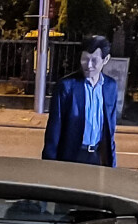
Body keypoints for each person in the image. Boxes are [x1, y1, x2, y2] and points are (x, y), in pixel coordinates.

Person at [42, 35, 119, 167]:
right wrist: (50, 164)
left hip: (98, 156)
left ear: (105, 59)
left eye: (94, 60)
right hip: (72, 156)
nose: (89, 65)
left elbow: (110, 129)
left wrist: (112, 162)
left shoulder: (110, 86)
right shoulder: (67, 86)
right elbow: (54, 129)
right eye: (85, 59)